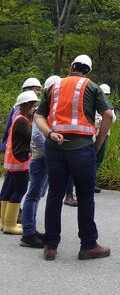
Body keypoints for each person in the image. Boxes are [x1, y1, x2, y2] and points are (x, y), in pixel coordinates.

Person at [34, 54, 113, 261]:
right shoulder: (92, 87)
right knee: (85, 196)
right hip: (82, 150)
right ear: (88, 71)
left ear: (71, 67)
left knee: (54, 195)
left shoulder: (55, 86)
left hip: (54, 147)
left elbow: (39, 116)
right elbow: (108, 115)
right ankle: (88, 245)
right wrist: (98, 142)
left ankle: (50, 245)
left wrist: (50, 133)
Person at [20, 76, 60, 247]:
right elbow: (37, 136)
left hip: (45, 158)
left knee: (38, 195)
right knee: (33, 195)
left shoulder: (50, 108)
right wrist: (50, 152)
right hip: (40, 158)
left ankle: (32, 229)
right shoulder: (42, 110)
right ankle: (27, 233)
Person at [1, 91, 38, 235]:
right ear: (26, 105)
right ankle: (10, 224)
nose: (34, 108)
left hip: (14, 158)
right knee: (20, 190)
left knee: (9, 190)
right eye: (32, 105)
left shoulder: (17, 118)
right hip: (20, 159)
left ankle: (4, 222)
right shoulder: (22, 120)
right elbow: (31, 137)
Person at [1, 78, 42, 153]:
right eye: (37, 89)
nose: (39, 93)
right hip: (17, 148)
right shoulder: (19, 109)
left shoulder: (25, 107)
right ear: (27, 89)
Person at [95, 83, 116, 193]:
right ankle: (88, 182)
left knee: (99, 158)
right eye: (104, 94)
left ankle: (91, 182)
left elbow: (113, 119)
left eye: (107, 94)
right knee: (92, 158)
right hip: (93, 134)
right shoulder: (92, 103)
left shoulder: (108, 105)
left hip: (104, 134)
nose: (106, 96)